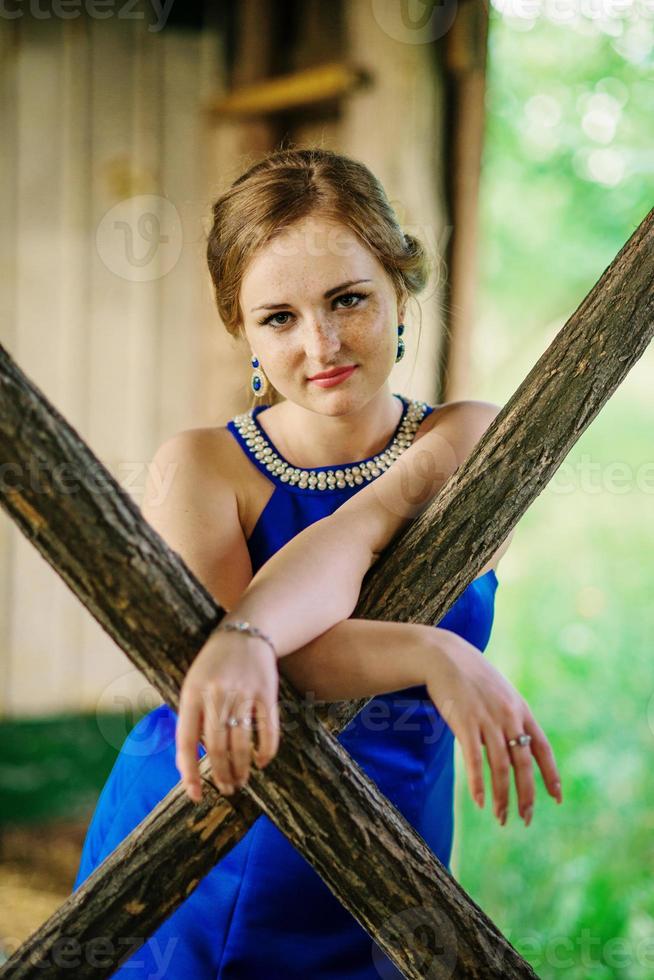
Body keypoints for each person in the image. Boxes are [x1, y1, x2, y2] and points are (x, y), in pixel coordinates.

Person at [73, 147, 562, 979]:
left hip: (393, 837)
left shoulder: (472, 439)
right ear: (243, 333)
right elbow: (249, 672)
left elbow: (355, 533)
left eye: (349, 300)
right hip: (215, 828)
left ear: (401, 294)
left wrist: (247, 635)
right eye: (279, 318)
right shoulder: (199, 469)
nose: (323, 342)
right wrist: (429, 650)